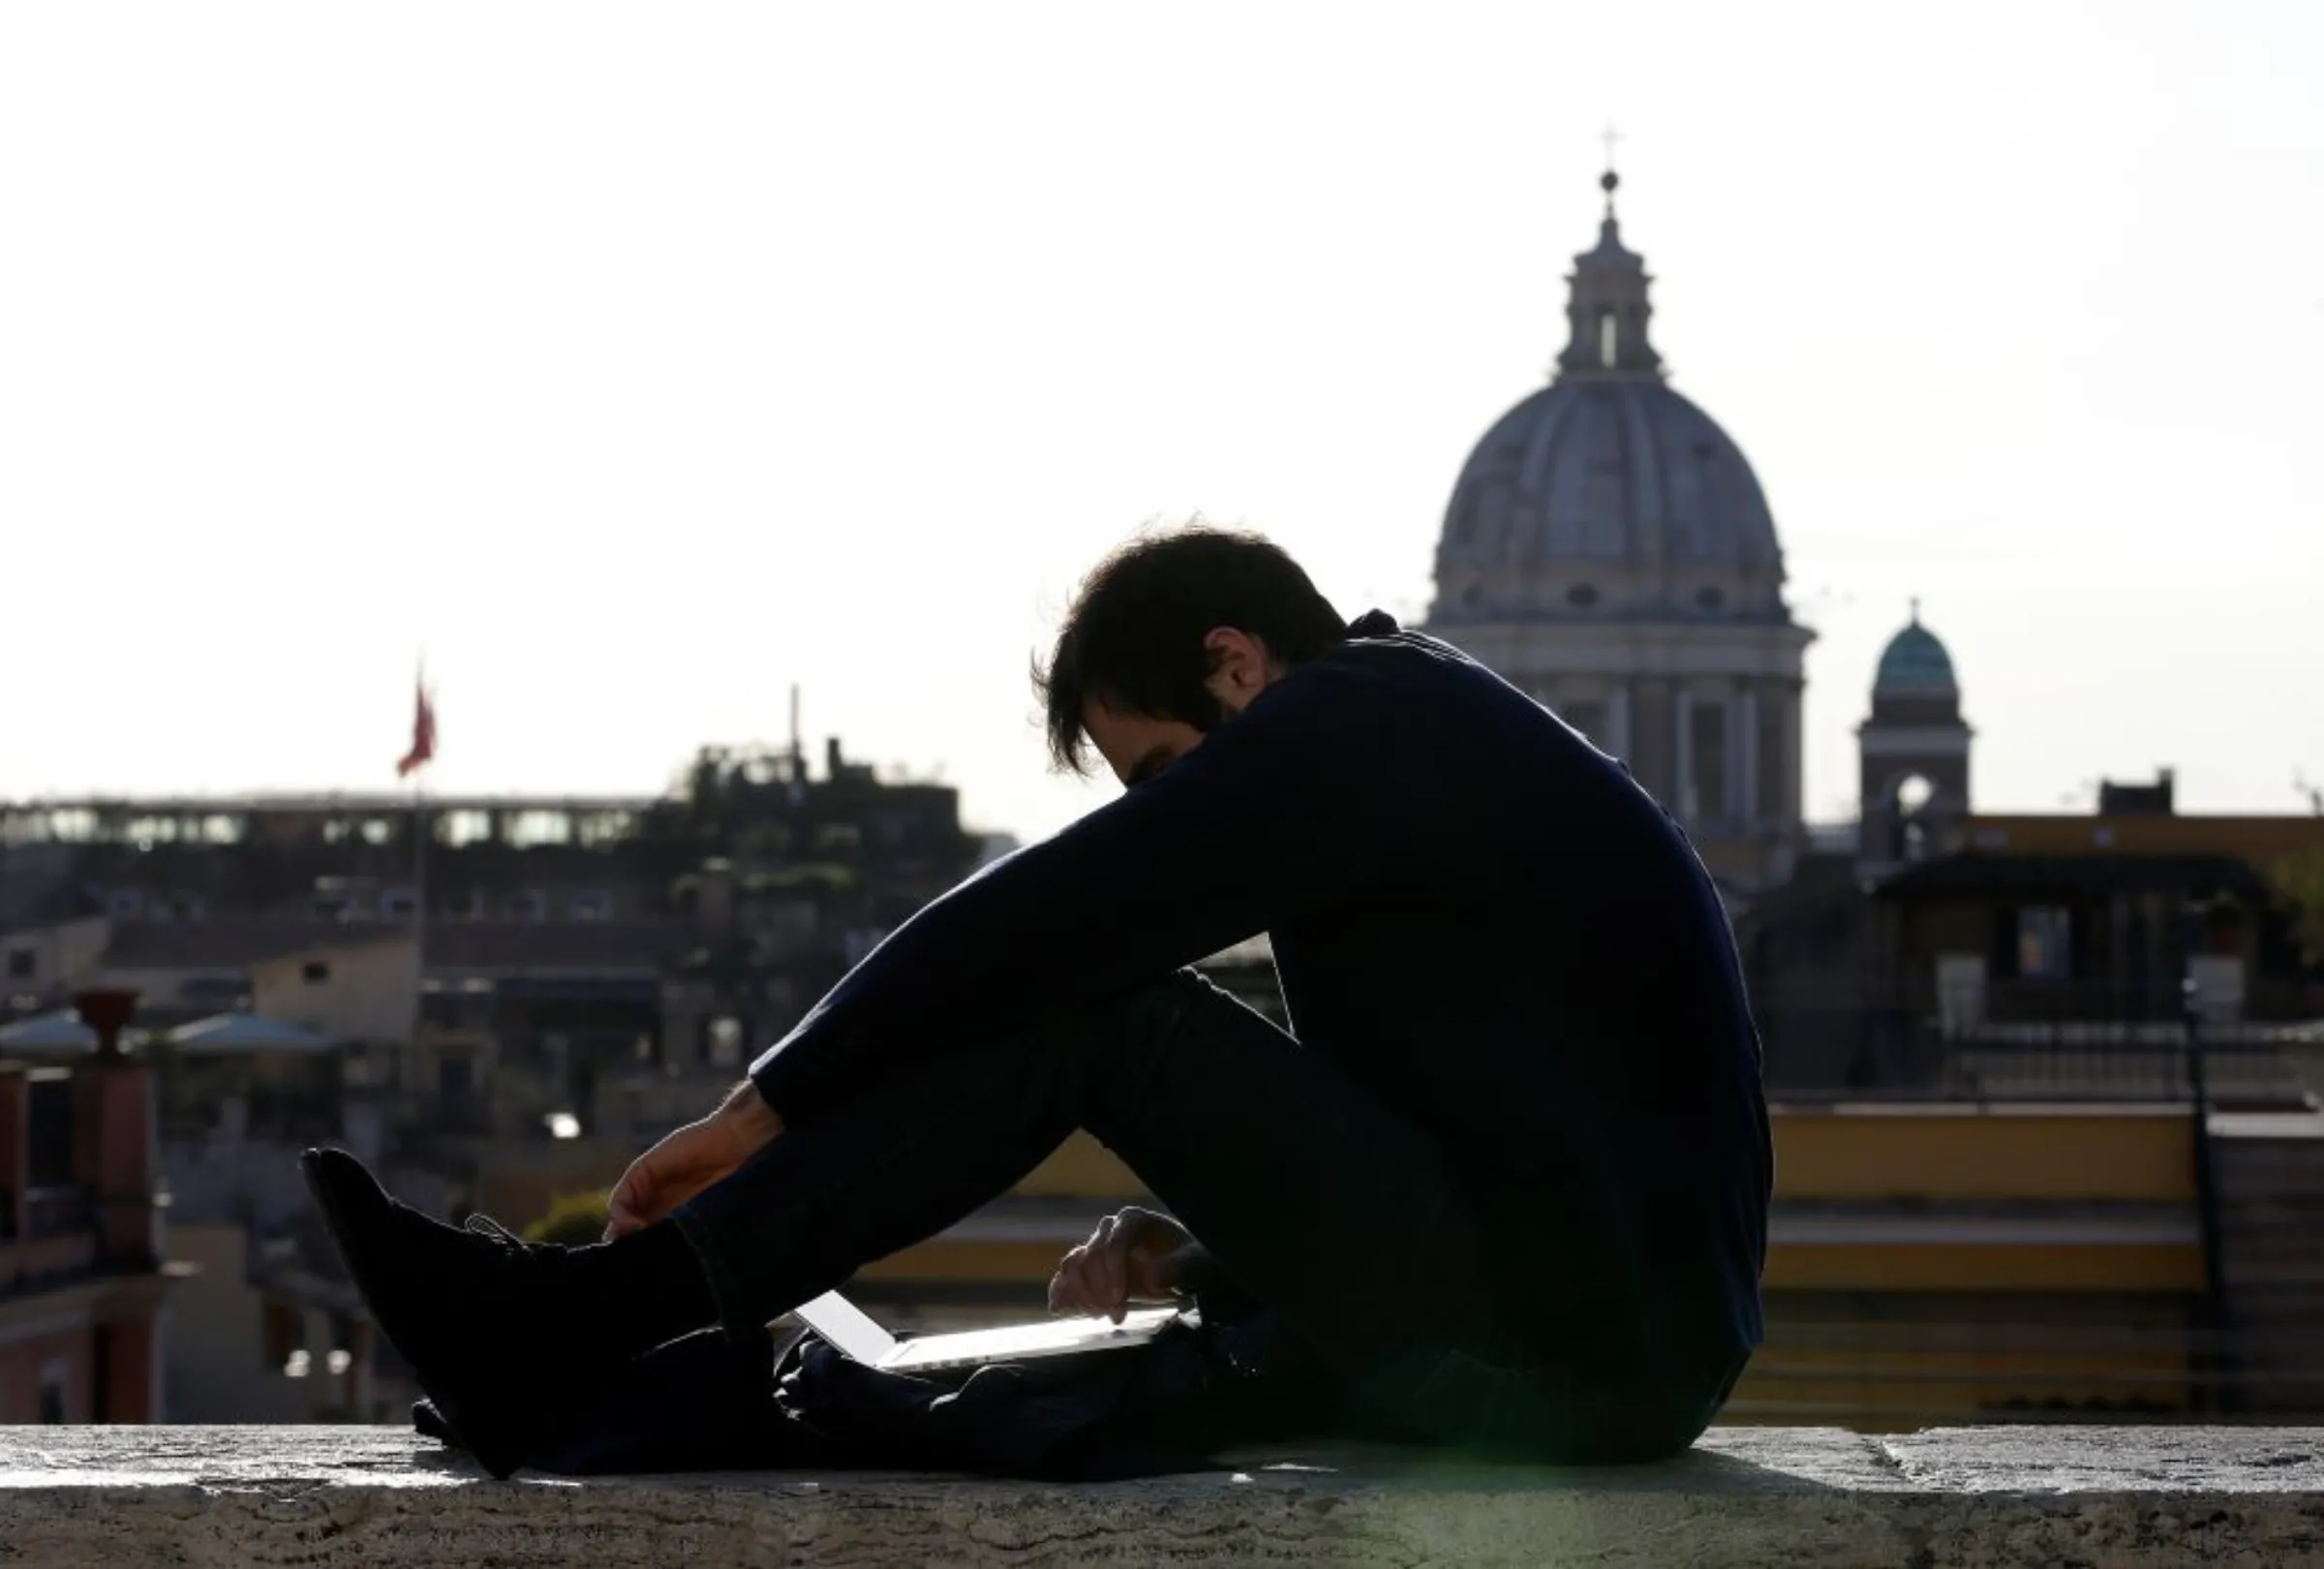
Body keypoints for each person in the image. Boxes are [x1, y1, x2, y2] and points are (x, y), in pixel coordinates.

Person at [305, 525, 1771, 1480]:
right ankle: (607, 1365)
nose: (1170, 814)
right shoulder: (1419, 744)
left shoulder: (1364, 719)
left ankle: (593, 1317)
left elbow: (1056, 916)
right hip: (1598, 1351)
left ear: (1236, 665)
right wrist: (1214, 1235)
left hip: (1571, 1365)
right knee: (954, 1392)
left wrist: (766, 1105)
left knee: (1103, 1009)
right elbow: (1483, 1133)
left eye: (1159, 771)